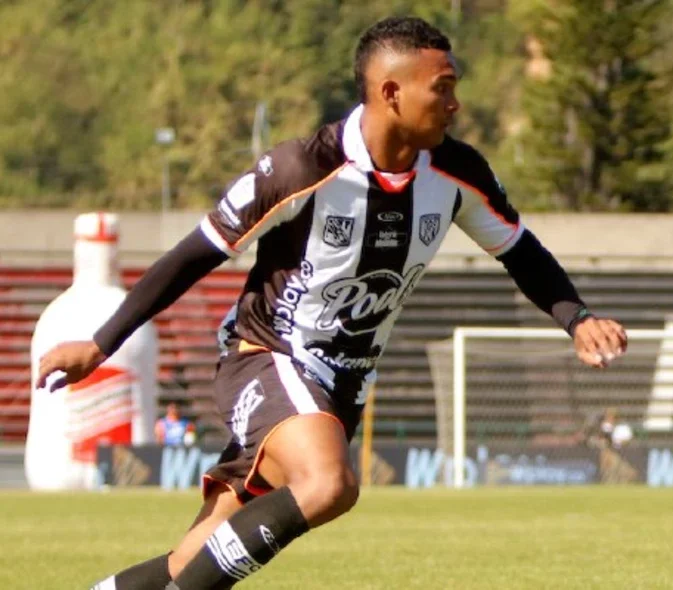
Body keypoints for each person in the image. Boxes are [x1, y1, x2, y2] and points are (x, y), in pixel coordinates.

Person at [38, 16, 628, 590]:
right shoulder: (302, 168)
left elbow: (519, 250)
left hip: (343, 387)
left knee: (192, 558)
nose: (455, 104)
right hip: (266, 357)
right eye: (442, 88)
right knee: (329, 485)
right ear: (391, 93)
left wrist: (576, 318)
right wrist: (100, 344)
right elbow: (193, 255)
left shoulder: (457, 173)